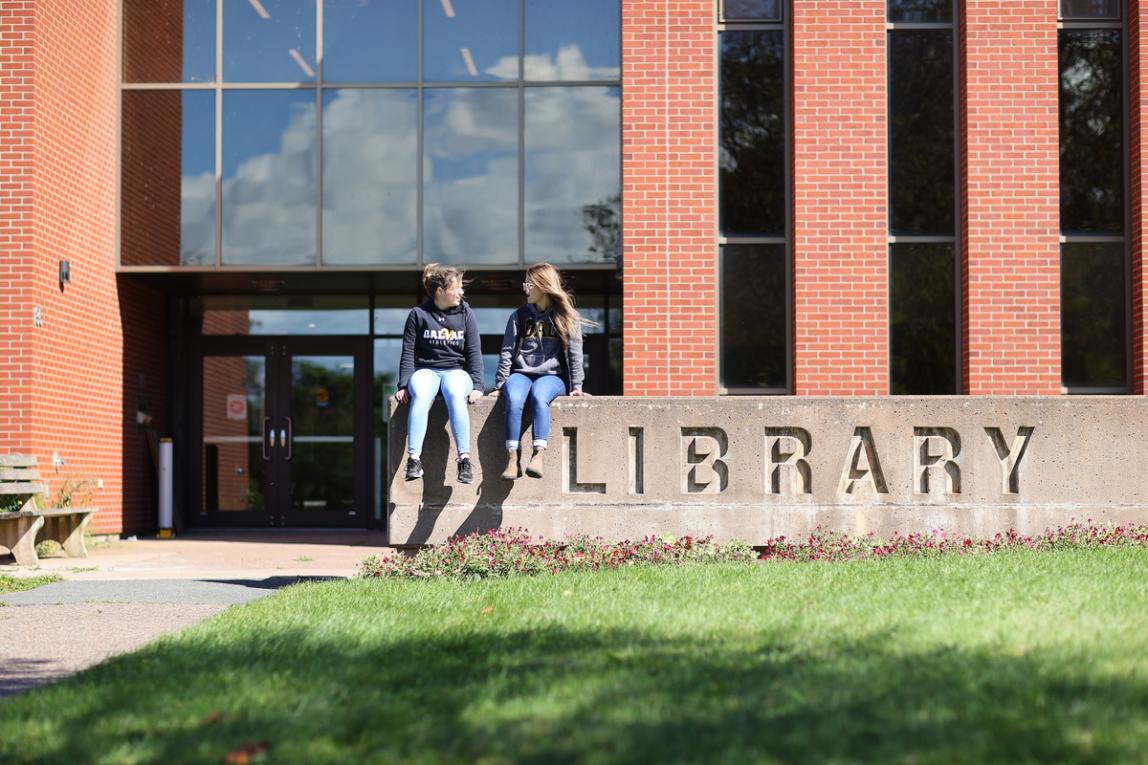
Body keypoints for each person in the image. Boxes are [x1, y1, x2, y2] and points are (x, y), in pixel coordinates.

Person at [489, 263, 592, 480]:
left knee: (539, 396)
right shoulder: (519, 316)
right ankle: (512, 458)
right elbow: (507, 351)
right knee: (514, 397)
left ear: (543, 286)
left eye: (529, 284)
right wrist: (500, 385)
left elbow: (575, 354)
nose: (525, 289)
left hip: (552, 377)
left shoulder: (566, 316)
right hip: (521, 374)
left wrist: (577, 387)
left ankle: (538, 456)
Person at [395, 264, 483, 484]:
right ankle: (414, 459)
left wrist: (478, 386)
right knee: (421, 395)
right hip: (427, 371)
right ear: (440, 291)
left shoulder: (466, 313)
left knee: (454, 393)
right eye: (457, 287)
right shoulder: (418, 314)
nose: (461, 292)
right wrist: (404, 384)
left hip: (456, 371)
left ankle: (464, 460)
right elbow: (409, 351)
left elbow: (473, 351)